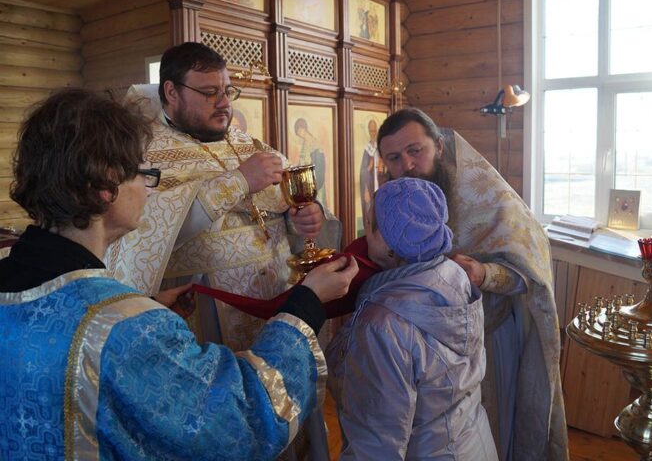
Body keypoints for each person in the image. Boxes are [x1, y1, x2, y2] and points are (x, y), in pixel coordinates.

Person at [0, 88, 358, 460]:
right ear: (106, 186)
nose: (149, 191)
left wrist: (147, 306)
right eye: (144, 174)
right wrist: (306, 305)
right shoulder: (122, 329)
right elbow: (239, 420)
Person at [105, 42, 340, 354]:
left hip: (276, 304)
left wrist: (306, 218)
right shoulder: (141, 152)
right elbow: (144, 230)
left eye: (227, 91)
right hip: (204, 315)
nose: (224, 103)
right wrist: (239, 181)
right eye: (209, 93)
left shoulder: (250, 145)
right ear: (172, 92)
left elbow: (293, 211)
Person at [374, 108, 568, 461]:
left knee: (487, 433)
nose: (407, 165)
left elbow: (530, 272)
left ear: (439, 146)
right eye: (394, 158)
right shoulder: (390, 201)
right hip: (419, 353)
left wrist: (483, 273)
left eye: (415, 150)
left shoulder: (490, 197)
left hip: (489, 339)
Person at [326, 177, 498, 460]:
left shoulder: (382, 324)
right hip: (474, 444)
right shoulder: (455, 274)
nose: (364, 236)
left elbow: (376, 443)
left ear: (389, 243)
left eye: (369, 225)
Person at [358, 118, 387, 227]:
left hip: (380, 183)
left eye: (374, 130)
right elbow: (362, 172)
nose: (373, 133)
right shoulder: (367, 149)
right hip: (370, 185)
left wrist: (382, 165)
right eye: (371, 131)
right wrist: (365, 190)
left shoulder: (381, 147)